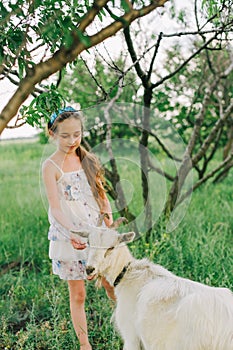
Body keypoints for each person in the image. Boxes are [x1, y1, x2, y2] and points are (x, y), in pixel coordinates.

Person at [42, 106, 115, 350]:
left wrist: (109, 221)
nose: (72, 140)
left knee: (111, 284)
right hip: (69, 237)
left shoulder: (88, 159)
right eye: (65, 135)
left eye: (77, 134)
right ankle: (85, 344)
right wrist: (72, 233)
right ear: (52, 133)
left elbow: (101, 196)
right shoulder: (51, 167)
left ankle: (131, 326)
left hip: (96, 236)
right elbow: (56, 208)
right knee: (79, 294)